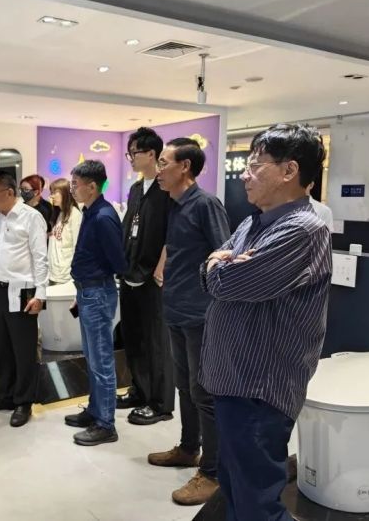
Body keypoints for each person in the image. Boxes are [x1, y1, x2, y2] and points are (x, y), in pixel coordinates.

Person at [200, 124, 332, 520]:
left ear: (289, 170)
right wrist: (216, 264)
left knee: (257, 503)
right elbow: (214, 267)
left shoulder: (302, 230)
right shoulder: (254, 222)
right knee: (237, 490)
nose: (244, 174)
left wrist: (219, 266)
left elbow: (226, 282)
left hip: (259, 388)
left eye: (255, 166)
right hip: (235, 380)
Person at [147, 138, 229, 505]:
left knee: (203, 392)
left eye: (164, 163)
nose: (159, 169)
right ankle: (187, 447)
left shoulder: (206, 204)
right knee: (185, 386)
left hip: (200, 314)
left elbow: (224, 255)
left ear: (185, 167)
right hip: (176, 309)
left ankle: (212, 473)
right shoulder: (174, 204)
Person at [0, 170, 48, 428]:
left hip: (21, 292)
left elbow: (40, 258)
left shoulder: (32, 218)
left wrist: (40, 294)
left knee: (24, 350)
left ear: (9, 192)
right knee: (1, 348)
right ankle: (4, 395)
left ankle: (24, 402)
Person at [63, 160, 127, 446]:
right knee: (92, 358)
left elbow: (118, 261)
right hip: (88, 292)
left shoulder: (103, 216)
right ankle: (95, 410)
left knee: (101, 361)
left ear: (92, 186)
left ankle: (106, 424)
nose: (72, 189)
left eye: (75, 184)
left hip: (97, 293)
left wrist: (94, 284)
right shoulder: (91, 212)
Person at [117, 127, 175, 426]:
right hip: (130, 272)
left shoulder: (166, 190)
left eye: (134, 153)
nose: (130, 158)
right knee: (133, 335)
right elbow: (130, 228)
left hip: (154, 276)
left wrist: (161, 266)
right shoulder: (137, 189)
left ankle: (161, 403)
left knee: (156, 340)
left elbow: (172, 233)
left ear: (151, 154)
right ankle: (139, 390)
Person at [47, 178, 82, 284]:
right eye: (51, 193)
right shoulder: (59, 213)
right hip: (53, 273)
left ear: (65, 193)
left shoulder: (75, 215)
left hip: (66, 276)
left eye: (55, 192)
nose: (52, 196)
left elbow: (78, 246)